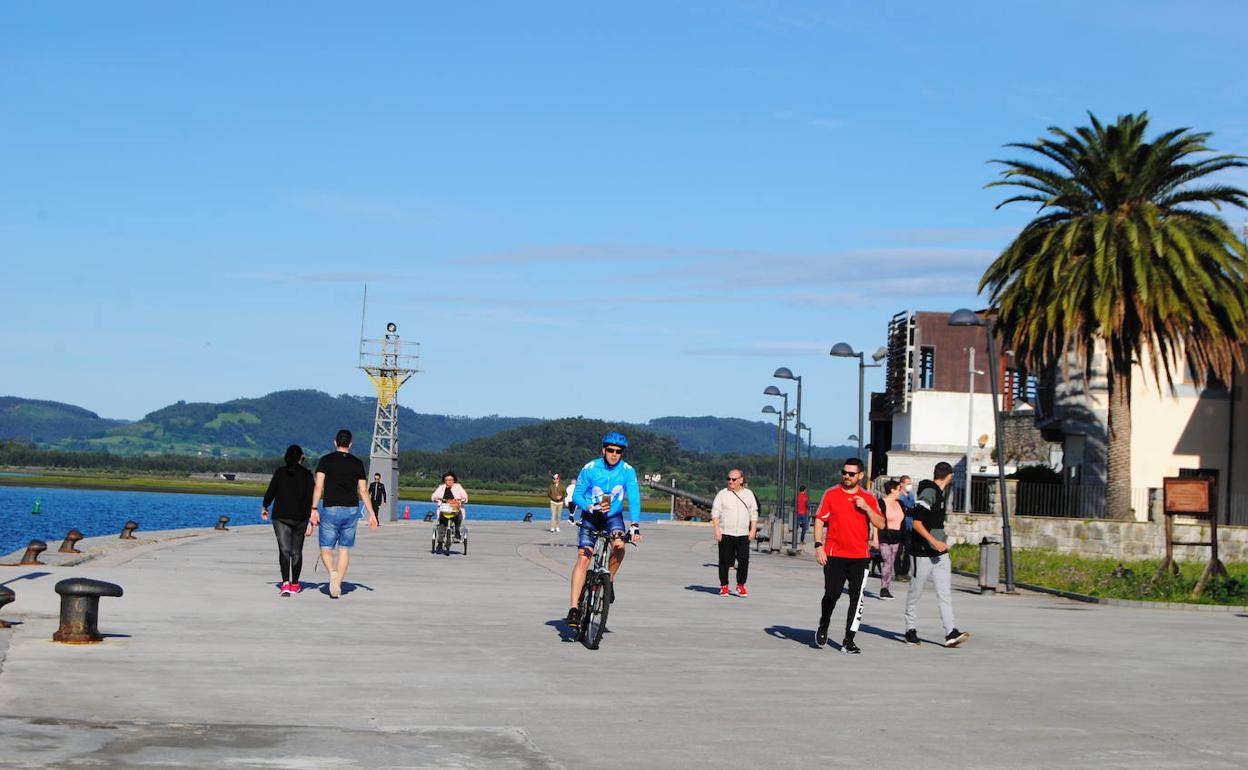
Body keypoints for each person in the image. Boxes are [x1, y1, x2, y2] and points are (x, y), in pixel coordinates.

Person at [566, 431, 643, 627]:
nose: (614, 454)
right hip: (591, 516)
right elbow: (577, 495)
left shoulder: (627, 470)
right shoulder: (591, 468)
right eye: (610, 450)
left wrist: (635, 524)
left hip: (613, 517)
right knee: (584, 557)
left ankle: (609, 581)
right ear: (603, 450)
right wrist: (589, 506)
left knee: (620, 546)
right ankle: (574, 608)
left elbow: (634, 497)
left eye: (619, 451)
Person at [813, 457, 885, 654]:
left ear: (860, 475)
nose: (846, 476)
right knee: (832, 594)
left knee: (857, 598)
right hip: (834, 555)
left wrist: (867, 508)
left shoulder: (868, 497)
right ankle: (824, 623)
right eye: (844, 472)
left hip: (860, 556)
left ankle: (848, 640)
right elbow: (819, 520)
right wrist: (819, 545)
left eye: (851, 474)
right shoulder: (831, 494)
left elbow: (881, 523)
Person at [904, 461, 971, 647]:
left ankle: (950, 632)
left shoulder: (939, 494)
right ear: (949, 476)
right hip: (922, 553)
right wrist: (934, 542)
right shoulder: (929, 492)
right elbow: (917, 523)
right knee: (915, 592)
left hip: (940, 555)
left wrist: (940, 544)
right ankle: (910, 629)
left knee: (944, 593)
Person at [310, 429, 379, 599]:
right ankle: (338, 583)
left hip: (330, 508)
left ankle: (332, 573)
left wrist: (313, 509)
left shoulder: (325, 460)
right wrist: (372, 514)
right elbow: (363, 491)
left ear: (335, 442)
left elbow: (318, 486)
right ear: (350, 444)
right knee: (344, 549)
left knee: (325, 548)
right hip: (351, 509)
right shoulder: (357, 463)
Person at [261, 444, 315, 597]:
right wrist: (311, 517)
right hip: (301, 517)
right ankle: (295, 583)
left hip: (281, 517)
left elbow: (271, 491)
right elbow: (311, 497)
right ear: (301, 458)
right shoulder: (307, 474)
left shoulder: (280, 472)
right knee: (296, 551)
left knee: (284, 550)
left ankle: (285, 584)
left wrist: (265, 506)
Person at [711, 469, 758, 596]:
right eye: (729, 479)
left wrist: (753, 530)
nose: (730, 481)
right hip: (726, 532)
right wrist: (717, 530)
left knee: (744, 559)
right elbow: (715, 513)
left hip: (743, 533)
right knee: (724, 561)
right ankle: (724, 585)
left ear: (741, 480)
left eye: (733, 479)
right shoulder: (722, 494)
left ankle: (740, 585)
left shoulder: (748, 494)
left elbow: (754, 513)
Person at [876, 479, 906, 600]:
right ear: (892, 490)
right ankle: (883, 589)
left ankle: (886, 588)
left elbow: (903, 521)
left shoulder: (900, 503)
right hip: (884, 535)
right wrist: (875, 538)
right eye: (899, 489)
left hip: (897, 536)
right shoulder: (881, 502)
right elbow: (876, 521)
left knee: (891, 563)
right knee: (887, 561)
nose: (901, 491)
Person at [431, 472, 468, 540]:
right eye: (447, 480)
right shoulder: (441, 487)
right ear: (444, 481)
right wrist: (435, 498)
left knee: (458, 516)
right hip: (444, 509)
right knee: (442, 524)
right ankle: (440, 540)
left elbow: (464, 495)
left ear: (454, 480)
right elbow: (434, 495)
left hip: (455, 509)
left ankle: (457, 530)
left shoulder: (458, 486)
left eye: (451, 480)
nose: (449, 482)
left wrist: (463, 500)